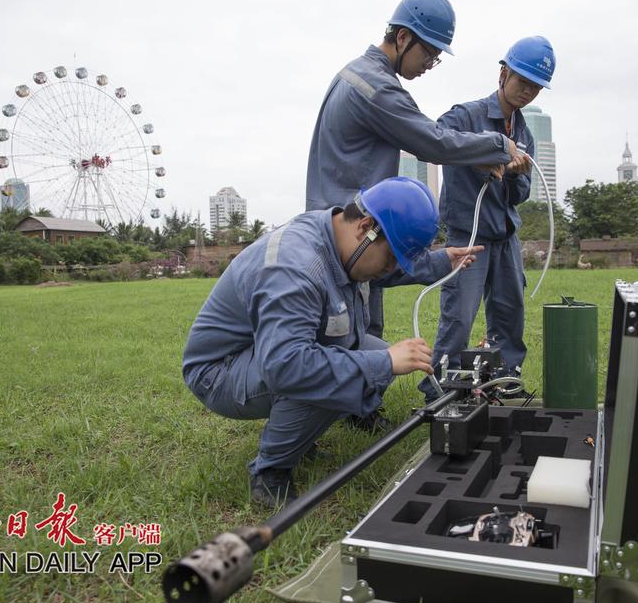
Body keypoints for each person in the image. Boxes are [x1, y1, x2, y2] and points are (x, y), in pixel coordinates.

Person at [183, 177, 482, 507]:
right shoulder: (295, 267)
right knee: (349, 369)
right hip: (219, 372)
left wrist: (443, 260)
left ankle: (298, 434)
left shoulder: (339, 234)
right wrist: (384, 364)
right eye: (393, 257)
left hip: (262, 353)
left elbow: (385, 267)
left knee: (367, 356)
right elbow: (286, 365)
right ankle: (270, 473)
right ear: (366, 226)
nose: (390, 270)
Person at [306, 0, 528, 430]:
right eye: (429, 52)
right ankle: (345, 412)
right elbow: (432, 140)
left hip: (344, 224)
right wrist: (497, 146)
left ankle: (358, 410)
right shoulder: (376, 86)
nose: (430, 64)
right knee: (352, 330)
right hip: (353, 230)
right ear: (403, 38)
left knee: (357, 325)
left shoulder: (354, 75)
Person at [421, 36, 556, 402]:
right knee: (459, 318)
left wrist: (514, 174)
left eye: (535, 87)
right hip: (468, 235)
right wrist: (485, 150)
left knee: (509, 314)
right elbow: (436, 139)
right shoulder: (466, 115)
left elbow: (521, 194)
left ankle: (505, 381)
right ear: (503, 73)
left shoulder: (524, 131)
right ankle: (439, 390)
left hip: (505, 237)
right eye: (522, 81)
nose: (527, 91)